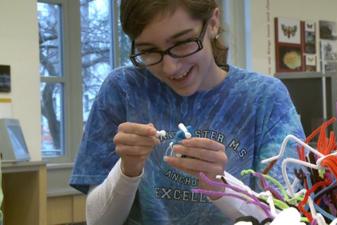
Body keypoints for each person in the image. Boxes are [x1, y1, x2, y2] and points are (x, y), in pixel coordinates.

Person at [69, 0, 305, 225]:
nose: (170, 67)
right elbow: (98, 220)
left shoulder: (264, 98)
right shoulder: (123, 90)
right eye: (149, 51)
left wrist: (219, 185)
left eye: (182, 43)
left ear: (213, 23)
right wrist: (127, 170)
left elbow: (290, 215)